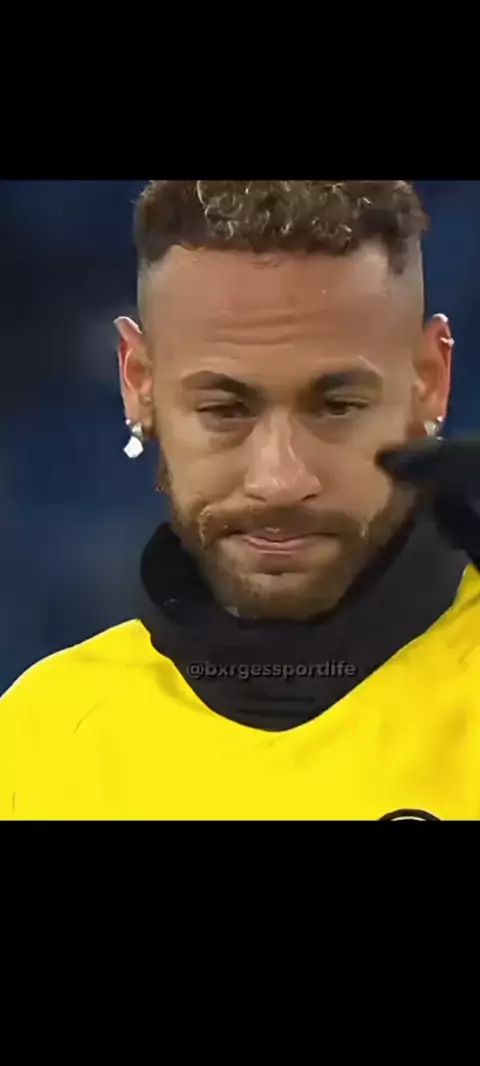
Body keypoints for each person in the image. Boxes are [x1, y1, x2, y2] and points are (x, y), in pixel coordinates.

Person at [1, 179, 479, 821]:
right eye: (225, 409)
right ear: (138, 383)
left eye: (338, 406)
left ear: (431, 381)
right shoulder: (37, 744)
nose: (279, 480)